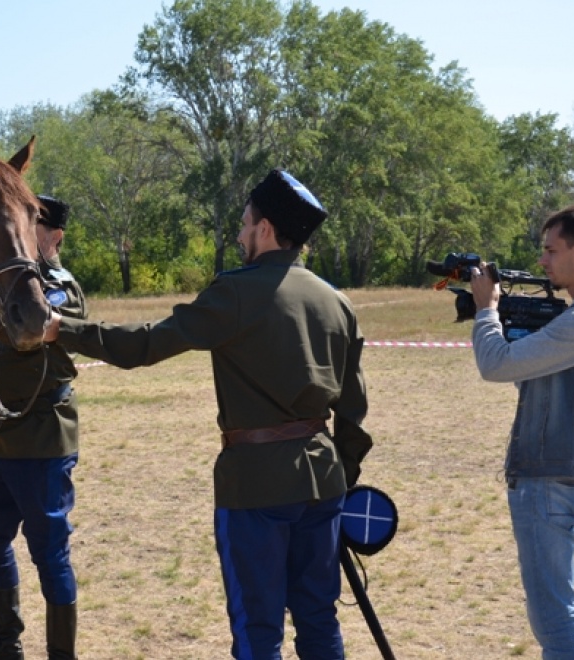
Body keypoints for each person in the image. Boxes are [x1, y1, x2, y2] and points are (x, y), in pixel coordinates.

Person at [43, 170, 372, 659]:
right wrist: (339, 479)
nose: (239, 235)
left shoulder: (237, 292)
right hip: (323, 484)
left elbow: (147, 344)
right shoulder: (337, 302)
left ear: (265, 229)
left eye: (244, 224)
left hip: (254, 487)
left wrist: (61, 328)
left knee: (258, 629)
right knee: (320, 619)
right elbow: (353, 410)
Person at [469, 202, 574, 659]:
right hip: (558, 471)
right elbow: (546, 380)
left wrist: (485, 310)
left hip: (549, 477)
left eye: (550, 250)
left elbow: (496, 365)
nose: (542, 261)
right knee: (553, 613)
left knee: (554, 618)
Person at [0, 195, 87, 660]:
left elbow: (25, 340)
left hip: (43, 440)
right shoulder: (8, 287)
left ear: (53, 237)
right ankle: (5, 642)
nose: (19, 232)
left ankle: (60, 654)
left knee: (50, 554)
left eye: (31, 223)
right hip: (3, 438)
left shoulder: (59, 289)